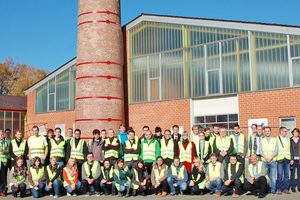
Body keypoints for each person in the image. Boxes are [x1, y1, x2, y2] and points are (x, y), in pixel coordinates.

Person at [260, 126, 278, 195]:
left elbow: (276, 151)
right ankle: (266, 189)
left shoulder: (274, 140)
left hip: (272, 160)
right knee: (266, 176)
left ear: (270, 132)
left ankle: (273, 190)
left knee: (273, 176)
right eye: (266, 131)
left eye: (268, 131)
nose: (267, 132)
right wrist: (266, 158)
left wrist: (270, 158)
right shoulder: (262, 140)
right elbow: (260, 151)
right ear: (264, 132)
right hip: (264, 161)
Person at [276, 126, 292, 194]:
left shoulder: (288, 139)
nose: (286, 133)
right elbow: (275, 149)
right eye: (285, 131)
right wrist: (275, 159)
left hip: (287, 159)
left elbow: (290, 149)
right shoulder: (276, 139)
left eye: (286, 131)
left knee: (286, 175)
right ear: (281, 132)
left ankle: (286, 188)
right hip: (279, 159)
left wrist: (291, 158)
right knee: (279, 175)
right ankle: (279, 188)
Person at [290, 128, 300, 193]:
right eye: (295, 132)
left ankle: (299, 186)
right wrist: (291, 159)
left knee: (299, 173)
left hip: (299, 159)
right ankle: (293, 187)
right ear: (292, 133)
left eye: (297, 132)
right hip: (293, 159)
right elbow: (290, 150)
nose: (296, 133)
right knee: (293, 174)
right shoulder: (290, 140)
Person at [0, 130, 9, 196]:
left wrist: (3, 150)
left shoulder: (5, 142)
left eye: (3, 134)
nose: (2, 136)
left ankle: (2, 190)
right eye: (1, 134)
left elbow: (8, 151)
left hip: (3, 161)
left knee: (3, 177)